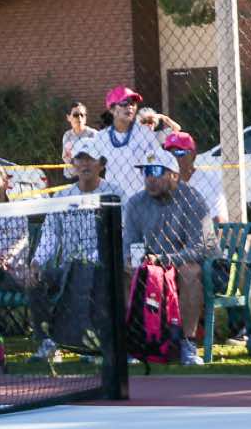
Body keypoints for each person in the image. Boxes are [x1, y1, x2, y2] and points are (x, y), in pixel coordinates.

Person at [121, 154, 218, 366]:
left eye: (156, 171)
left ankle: (188, 345)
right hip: (153, 268)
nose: (150, 178)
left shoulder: (193, 199)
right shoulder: (135, 203)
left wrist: (165, 259)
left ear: (174, 175)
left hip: (192, 266)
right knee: (122, 272)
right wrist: (133, 261)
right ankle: (132, 343)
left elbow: (202, 248)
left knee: (190, 272)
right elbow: (129, 244)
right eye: (146, 172)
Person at [28, 141, 109, 360]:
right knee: (35, 281)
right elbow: (51, 234)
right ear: (73, 164)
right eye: (80, 158)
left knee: (86, 273)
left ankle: (88, 345)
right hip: (66, 269)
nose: (85, 164)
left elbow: (121, 235)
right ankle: (47, 342)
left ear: (101, 164)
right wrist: (36, 261)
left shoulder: (114, 193)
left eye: (90, 159)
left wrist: (94, 260)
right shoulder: (62, 197)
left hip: (102, 269)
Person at [98, 85, 182, 200]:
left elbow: (175, 131)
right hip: (115, 197)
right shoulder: (102, 137)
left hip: (141, 197)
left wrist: (163, 118)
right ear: (112, 109)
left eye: (133, 103)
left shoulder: (149, 135)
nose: (130, 107)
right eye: (124, 103)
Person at [161, 131, 226, 224]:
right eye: (170, 154)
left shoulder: (211, 182)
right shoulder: (160, 184)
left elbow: (218, 220)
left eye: (179, 152)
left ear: (193, 154)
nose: (174, 158)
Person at [59, 101, 94, 177]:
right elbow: (65, 156)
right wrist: (73, 162)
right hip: (71, 176)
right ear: (68, 117)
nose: (79, 118)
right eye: (75, 115)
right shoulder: (67, 135)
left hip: (88, 177)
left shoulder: (93, 134)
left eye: (82, 115)